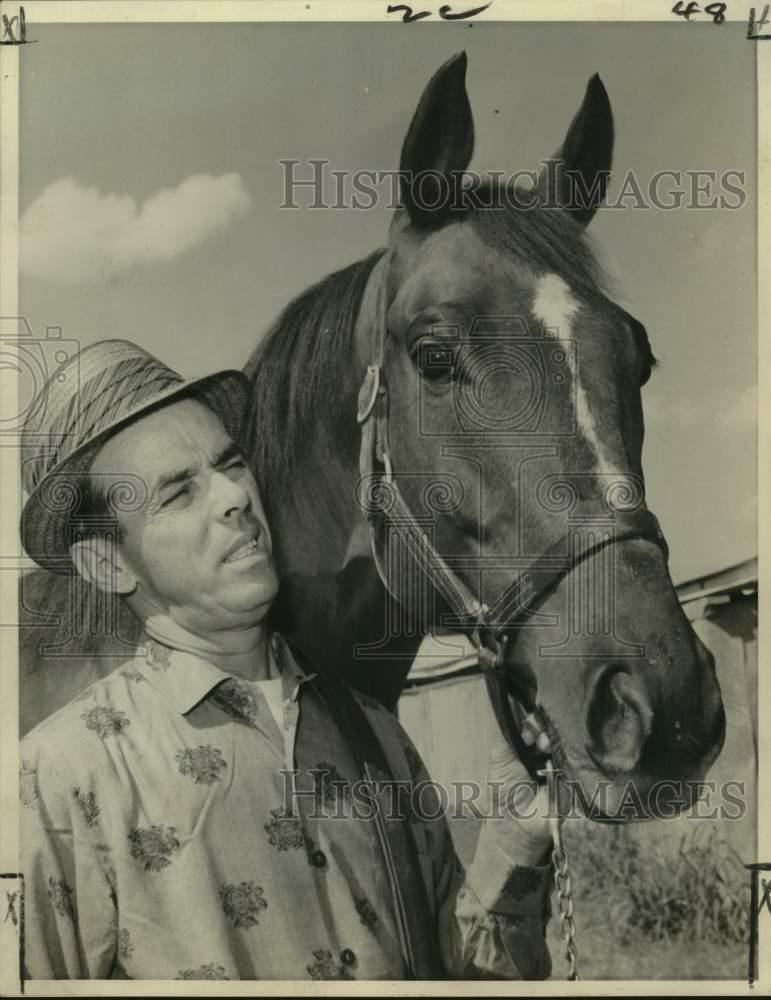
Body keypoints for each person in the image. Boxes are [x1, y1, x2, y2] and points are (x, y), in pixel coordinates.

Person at [19, 339, 556, 981]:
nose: (233, 497)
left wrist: (518, 836)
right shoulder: (60, 779)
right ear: (106, 563)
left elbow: (465, 978)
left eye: (231, 463)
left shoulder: (375, 735)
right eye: (177, 493)